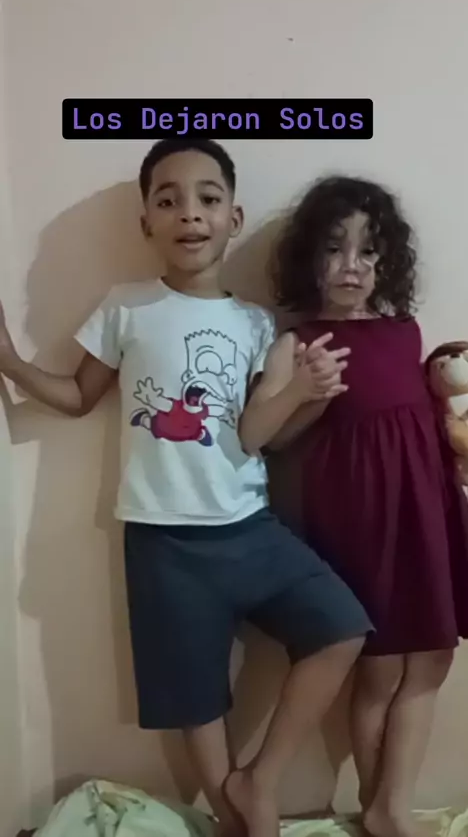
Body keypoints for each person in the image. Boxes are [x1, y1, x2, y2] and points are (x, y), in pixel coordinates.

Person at [0, 142, 372, 837]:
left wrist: (310, 394)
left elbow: (266, 435)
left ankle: (257, 781)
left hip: (250, 526)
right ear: (146, 221)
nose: (189, 214)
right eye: (168, 200)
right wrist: (11, 363)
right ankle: (236, 817)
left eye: (207, 199)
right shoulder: (126, 306)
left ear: (234, 218)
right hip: (162, 538)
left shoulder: (258, 323)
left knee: (342, 627)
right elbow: (78, 397)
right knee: (196, 695)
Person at [240, 175, 468, 837]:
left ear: (387, 260)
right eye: (334, 248)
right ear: (308, 257)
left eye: (368, 250)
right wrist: (306, 392)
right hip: (363, 516)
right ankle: (382, 809)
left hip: (426, 506)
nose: (352, 265)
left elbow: (423, 419)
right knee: (379, 668)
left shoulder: (405, 332)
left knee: (433, 658)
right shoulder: (299, 343)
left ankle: (389, 805)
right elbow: (265, 438)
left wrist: (461, 453)